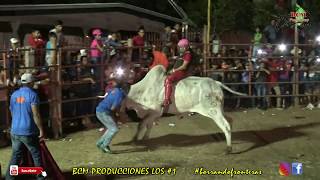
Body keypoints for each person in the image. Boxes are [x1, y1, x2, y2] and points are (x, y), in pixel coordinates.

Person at [6, 73, 45, 180]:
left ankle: (9, 177)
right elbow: (35, 114)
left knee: (15, 156)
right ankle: (40, 177)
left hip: (15, 130)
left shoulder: (14, 95)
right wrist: (41, 129)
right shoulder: (33, 95)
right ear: (30, 83)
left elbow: (11, 111)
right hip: (28, 131)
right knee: (36, 154)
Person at [95, 78, 125, 153]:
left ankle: (100, 143)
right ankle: (104, 145)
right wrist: (118, 115)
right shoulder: (119, 94)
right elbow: (113, 107)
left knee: (110, 128)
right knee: (114, 129)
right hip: (104, 112)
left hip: (99, 110)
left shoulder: (114, 90)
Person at [162, 38, 192, 107]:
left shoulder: (188, 55)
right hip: (177, 71)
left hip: (181, 72)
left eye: (182, 47)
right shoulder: (183, 54)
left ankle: (167, 100)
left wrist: (174, 70)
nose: (180, 48)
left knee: (168, 79)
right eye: (180, 47)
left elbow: (184, 66)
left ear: (186, 47)